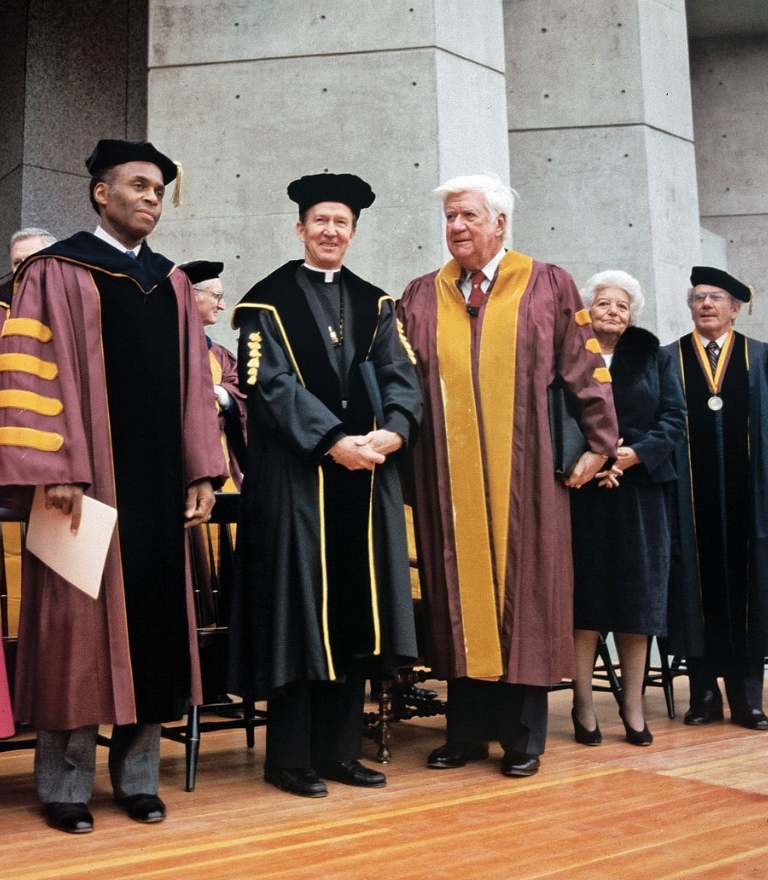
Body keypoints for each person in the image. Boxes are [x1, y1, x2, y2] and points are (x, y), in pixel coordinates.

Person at [0, 139, 227, 833]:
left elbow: (196, 382)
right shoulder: (55, 270)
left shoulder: (173, 283)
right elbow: (27, 369)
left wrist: (201, 468)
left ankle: (136, 779)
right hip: (83, 482)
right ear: (101, 192)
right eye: (138, 185)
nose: (151, 197)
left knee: (154, 629)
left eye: (159, 188)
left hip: (157, 489)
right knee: (76, 633)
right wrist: (55, 468)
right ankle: (63, 787)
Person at [397, 174, 619, 778]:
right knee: (458, 595)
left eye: (468, 216)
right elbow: (401, 378)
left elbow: (587, 367)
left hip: (527, 475)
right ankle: (465, 731)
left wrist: (601, 444)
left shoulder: (547, 284)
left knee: (525, 598)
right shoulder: (421, 294)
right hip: (448, 472)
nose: (457, 228)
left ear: (499, 223)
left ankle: (523, 739)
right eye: (449, 218)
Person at [229, 172, 422, 798]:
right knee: (301, 612)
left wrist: (393, 432)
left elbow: (401, 376)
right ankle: (289, 759)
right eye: (321, 222)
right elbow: (270, 387)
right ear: (301, 228)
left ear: (354, 231)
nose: (331, 231)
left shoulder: (377, 302)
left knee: (358, 613)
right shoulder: (266, 301)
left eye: (342, 223)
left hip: (367, 480)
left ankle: (341, 751)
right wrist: (334, 441)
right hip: (298, 482)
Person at [570, 270, 685, 747]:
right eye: (603, 303)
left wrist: (630, 455)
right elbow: (557, 415)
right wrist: (594, 456)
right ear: (588, 310)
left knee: (639, 601)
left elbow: (674, 418)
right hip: (584, 493)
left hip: (640, 493)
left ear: (632, 314)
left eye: (621, 305)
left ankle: (633, 705)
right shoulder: (570, 356)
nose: (612, 311)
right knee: (587, 602)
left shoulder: (655, 357)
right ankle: (582, 705)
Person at [666, 266, 768, 730]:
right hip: (689, 502)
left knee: (753, 589)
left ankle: (748, 698)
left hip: (752, 502)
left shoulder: (761, 358)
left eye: (716, 297)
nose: (705, 304)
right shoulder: (669, 360)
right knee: (694, 586)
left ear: (736, 308)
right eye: (698, 297)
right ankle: (703, 693)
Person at [180, 260, 246, 490]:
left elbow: (241, 390)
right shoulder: (166, 352)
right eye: (217, 296)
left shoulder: (218, 355)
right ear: (191, 295)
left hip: (222, 464)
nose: (223, 305)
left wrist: (222, 393)